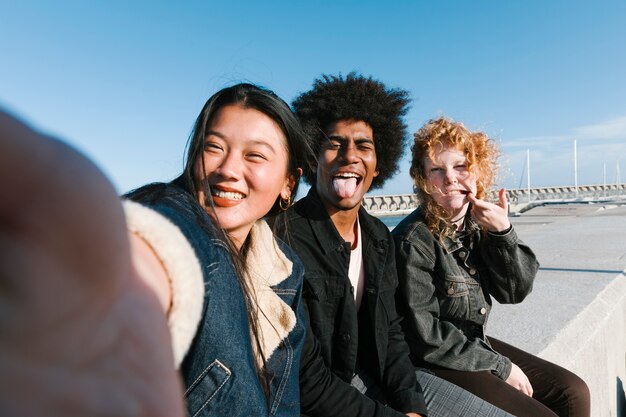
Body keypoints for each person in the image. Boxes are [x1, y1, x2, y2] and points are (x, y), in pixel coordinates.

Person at [0, 83, 310, 417]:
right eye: (213, 147)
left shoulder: (285, 268)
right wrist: (131, 281)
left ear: (288, 184)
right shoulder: (169, 213)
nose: (228, 170)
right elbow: (168, 243)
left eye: (255, 155)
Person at [277, 73, 512, 417]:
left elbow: (390, 335)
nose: (349, 156)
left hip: (375, 379)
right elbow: (303, 376)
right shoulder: (284, 238)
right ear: (313, 157)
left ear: (378, 164)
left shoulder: (377, 238)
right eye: (334, 143)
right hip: (317, 397)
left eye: (364, 146)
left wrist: (411, 404)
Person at [392, 116, 591, 417]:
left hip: (471, 343)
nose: (450, 178)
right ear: (423, 179)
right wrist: (501, 366)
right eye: (437, 169)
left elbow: (515, 292)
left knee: (573, 393)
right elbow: (425, 336)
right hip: (433, 358)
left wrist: (503, 233)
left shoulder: (475, 224)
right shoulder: (413, 240)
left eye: (460, 166)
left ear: (478, 171)